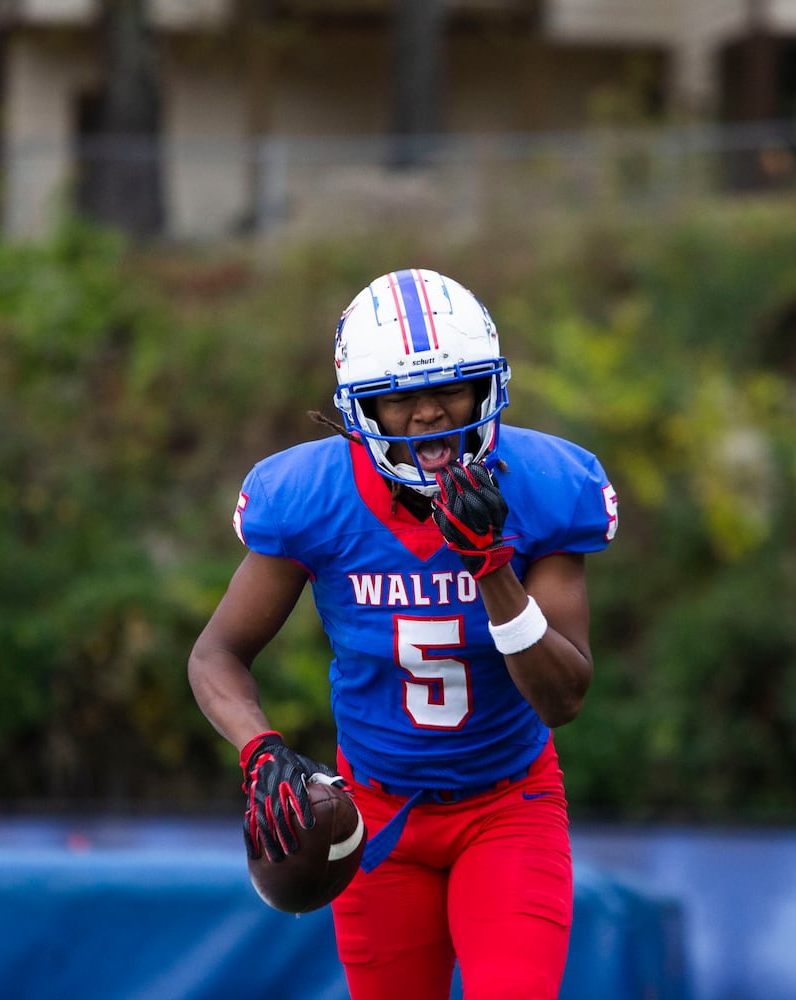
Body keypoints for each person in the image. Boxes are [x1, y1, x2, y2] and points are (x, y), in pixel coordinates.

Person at [188, 267, 619, 1000]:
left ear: (487, 388)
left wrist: (491, 568)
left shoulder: (545, 483)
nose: (428, 414)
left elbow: (564, 698)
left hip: (508, 808)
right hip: (375, 816)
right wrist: (259, 749)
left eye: (449, 388)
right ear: (361, 407)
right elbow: (216, 654)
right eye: (402, 396)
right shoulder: (312, 495)